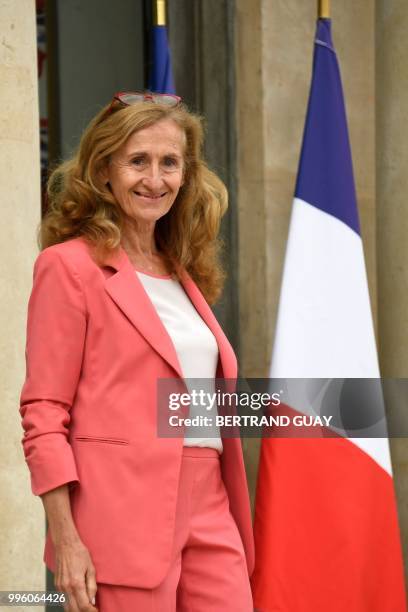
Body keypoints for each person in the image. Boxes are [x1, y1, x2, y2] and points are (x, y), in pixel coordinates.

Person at [19, 91, 254, 612]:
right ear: (105, 171)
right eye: (137, 161)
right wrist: (67, 539)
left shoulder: (183, 270)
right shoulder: (69, 268)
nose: (155, 179)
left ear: (186, 174)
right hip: (119, 516)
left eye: (169, 162)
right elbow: (43, 413)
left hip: (210, 498)